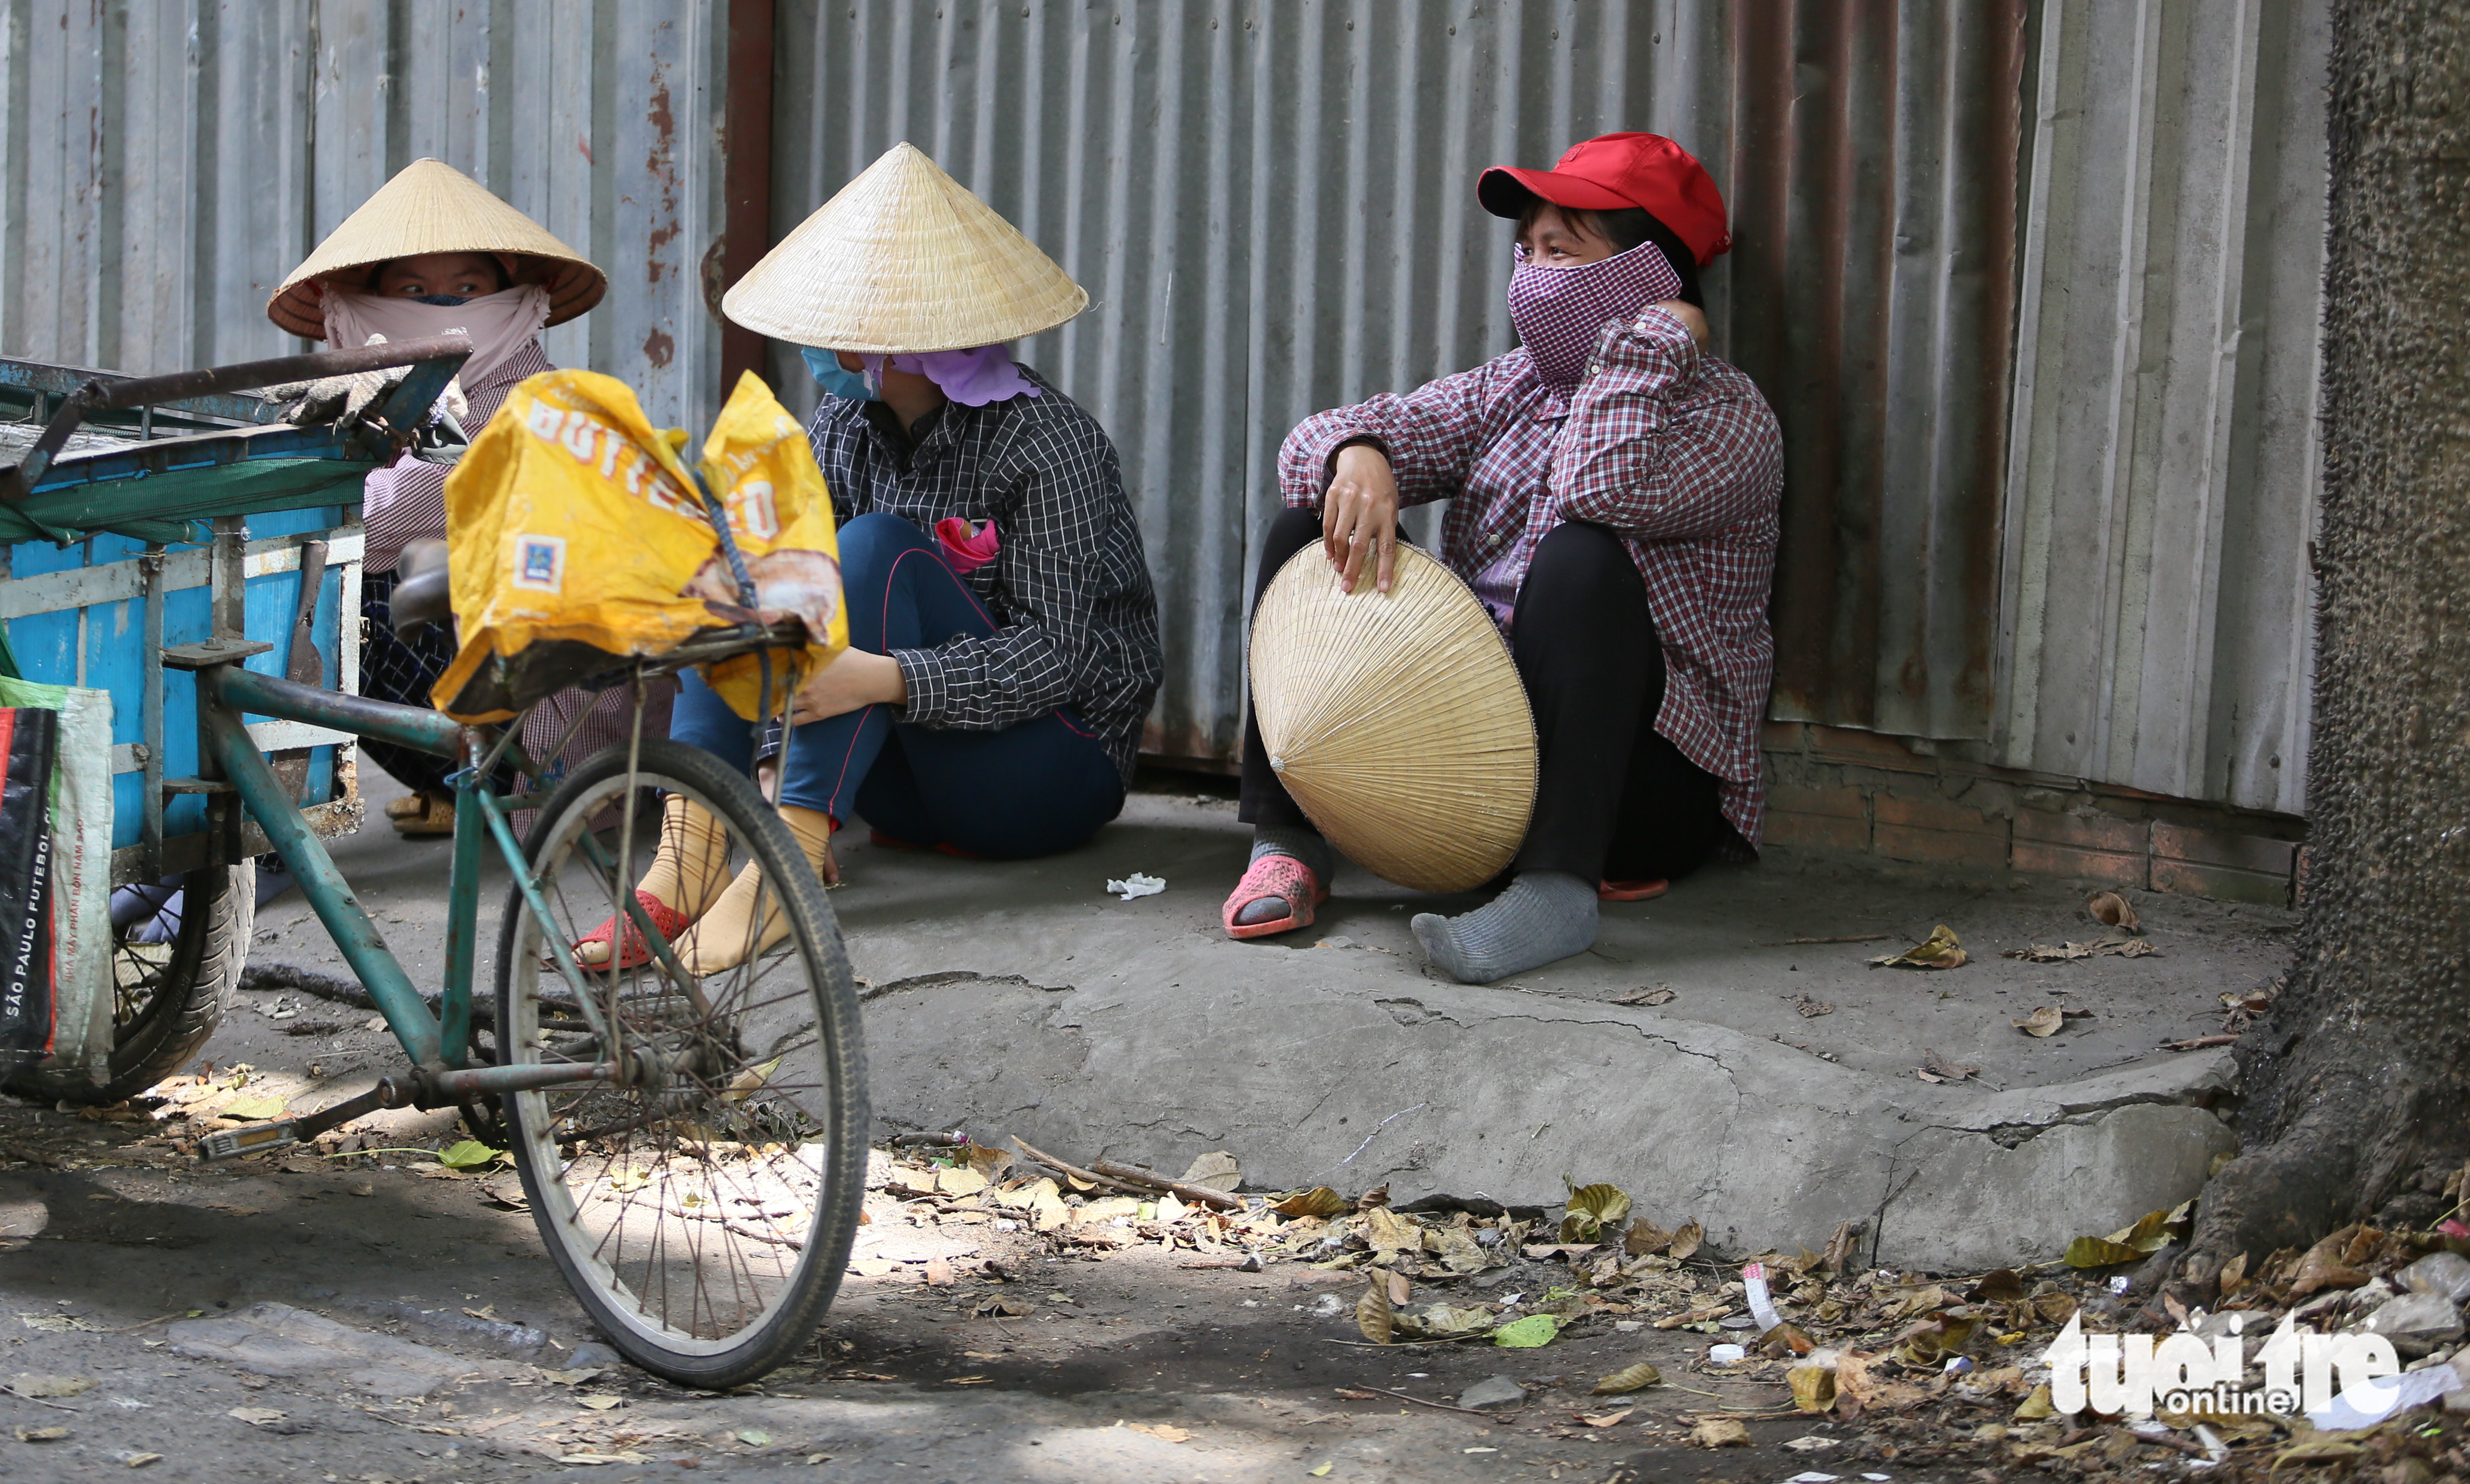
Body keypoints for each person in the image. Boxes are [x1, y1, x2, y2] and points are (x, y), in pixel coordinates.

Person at [577, 142, 1163, 975]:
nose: (820, 343)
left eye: (840, 326)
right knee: (750, 562)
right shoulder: (842, 426)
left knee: (877, 546)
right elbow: (791, 609)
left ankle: (787, 861)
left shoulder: (1047, 442)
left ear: (901, 343)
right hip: (901, 785)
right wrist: (783, 747)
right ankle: (689, 855)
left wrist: (885, 680)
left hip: (1047, 774)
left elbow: (1060, 659)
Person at [1223, 132, 1783, 984]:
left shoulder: (1726, 417)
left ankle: (1557, 895)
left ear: (1647, 274)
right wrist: (1361, 454)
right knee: (1308, 523)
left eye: (1562, 248)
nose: (1531, 270)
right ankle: (1289, 843)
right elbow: (1309, 446)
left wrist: (1651, 345)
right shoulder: (1509, 387)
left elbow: (1600, 488)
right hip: (1472, 752)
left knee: (1583, 556)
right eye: (1527, 249)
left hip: (1637, 793)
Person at [266, 157, 633, 836]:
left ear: (518, 298)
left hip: (545, 752)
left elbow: (364, 517)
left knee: (319, 585)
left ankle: (270, 837)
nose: (442, 307)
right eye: (412, 289)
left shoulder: (532, 408)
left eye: (469, 287)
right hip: (495, 713)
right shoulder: (395, 403)